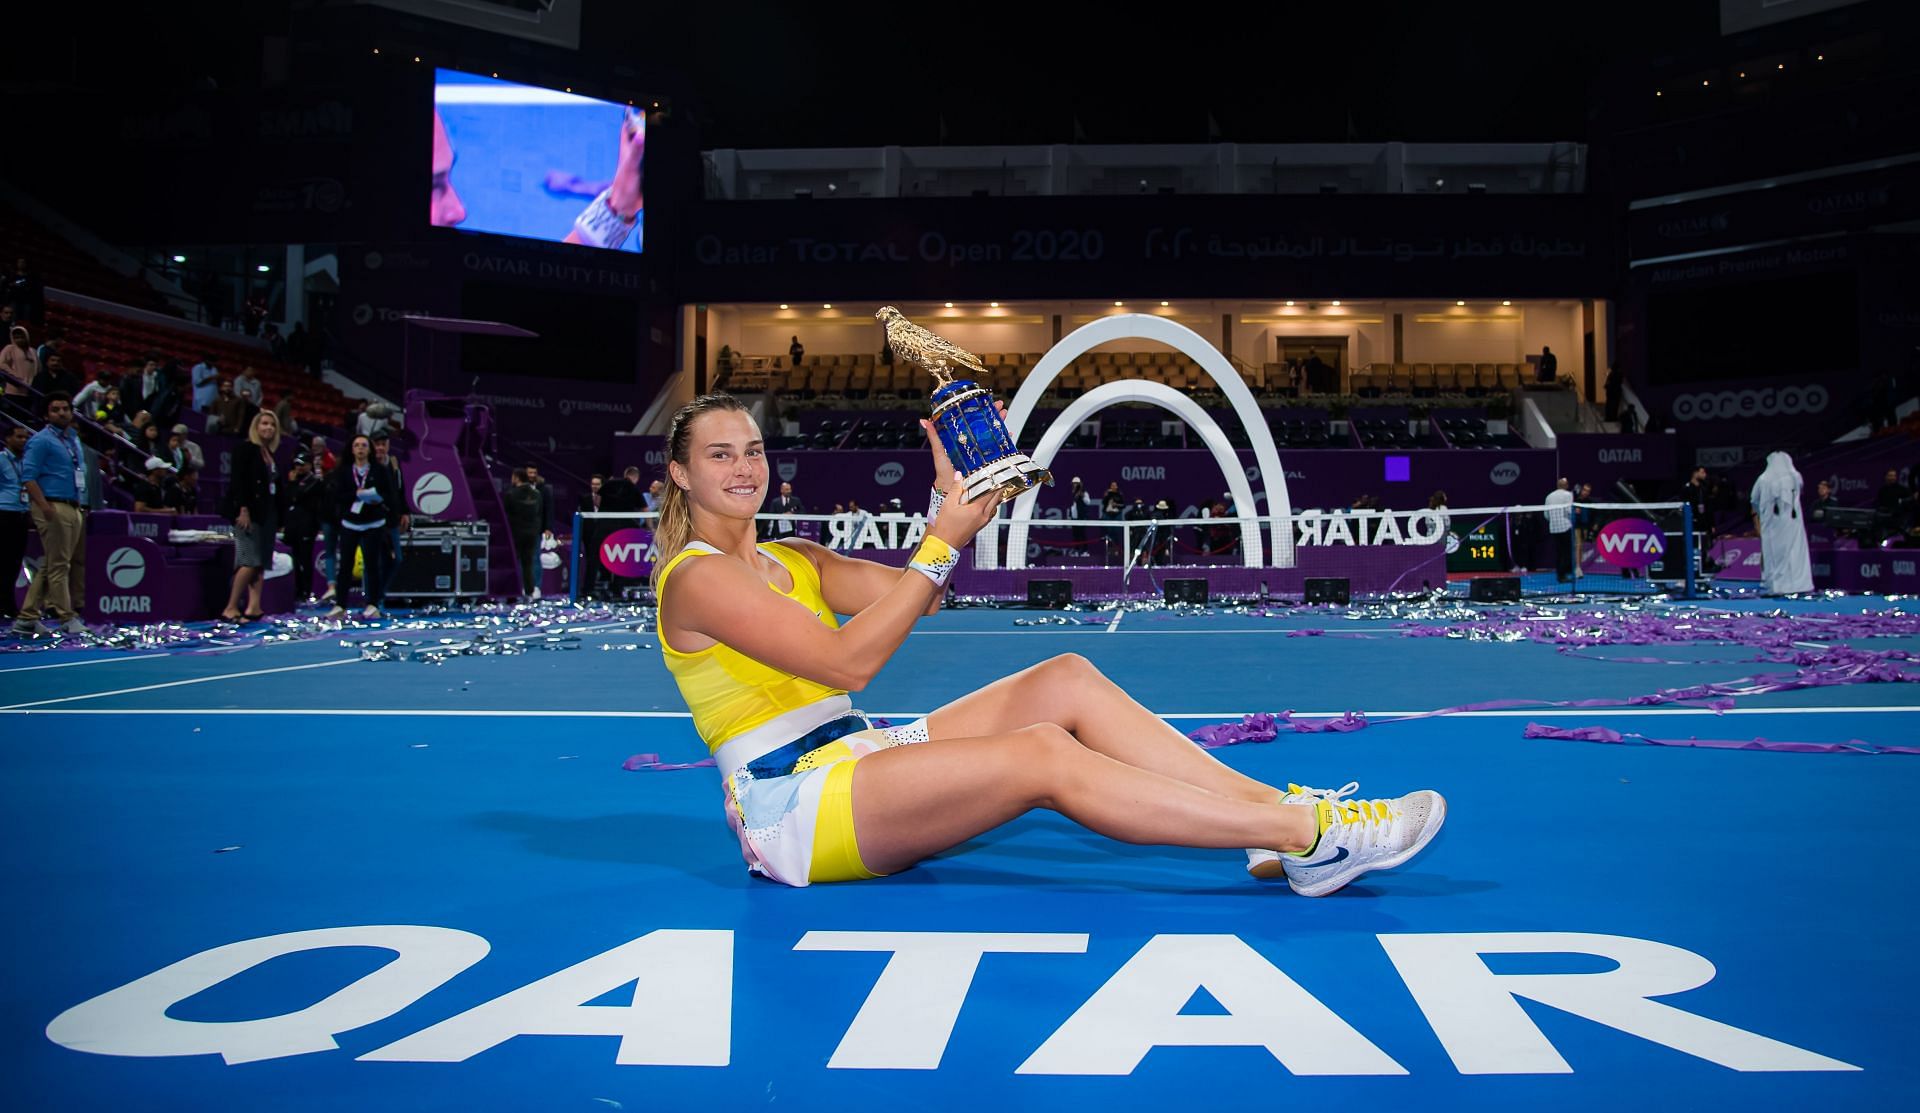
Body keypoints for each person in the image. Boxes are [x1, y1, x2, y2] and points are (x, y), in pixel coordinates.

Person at [651, 392, 1446, 891]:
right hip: (791, 805)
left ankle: (1277, 814)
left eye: (752, 448)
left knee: (1063, 677)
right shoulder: (696, 576)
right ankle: (1310, 837)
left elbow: (922, 597)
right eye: (720, 454)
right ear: (681, 475)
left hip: (855, 757)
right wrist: (941, 539)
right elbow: (846, 660)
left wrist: (950, 503)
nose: (744, 465)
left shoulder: (794, 558)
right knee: (1041, 754)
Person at [13, 394, 90, 636]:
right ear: (47, 414)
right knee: (59, 565)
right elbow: (28, 476)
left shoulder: (73, 439)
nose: (61, 413)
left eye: (65, 409)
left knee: (52, 563)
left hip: (73, 504)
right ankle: (66, 617)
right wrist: (45, 507)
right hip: (53, 505)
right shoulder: (41, 441)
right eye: (55, 409)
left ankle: (27, 618)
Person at [220, 410, 285, 623]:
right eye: (264, 424)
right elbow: (238, 482)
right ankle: (230, 607)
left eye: (272, 425)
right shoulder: (245, 450)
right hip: (248, 513)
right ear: (256, 427)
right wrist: (243, 509)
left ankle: (254, 606)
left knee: (260, 563)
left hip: (267, 513)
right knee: (249, 560)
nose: (268, 428)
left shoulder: (269, 453)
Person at [327, 434, 397, 620]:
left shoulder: (379, 470)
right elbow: (337, 495)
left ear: (369, 449)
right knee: (346, 565)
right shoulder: (343, 471)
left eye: (364, 445)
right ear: (352, 449)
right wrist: (355, 494)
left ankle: (372, 603)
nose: (360, 449)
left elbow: (389, 494)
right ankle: (340, 604)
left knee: (372, 564)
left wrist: (375, 498)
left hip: (374, 522)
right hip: (350, 522)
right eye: (357, 445)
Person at [1750, 452, 1814, 596]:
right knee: (1795, 552)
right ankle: (1800, 584)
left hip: (1773, 524)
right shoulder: (1795, 477)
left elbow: (1754, 499)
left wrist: (1760, 513)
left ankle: (1777, 585)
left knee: (1775, 553)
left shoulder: (1763, 479)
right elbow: (1801, 490)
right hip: (1793, 523)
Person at [282, 453, 329, 603]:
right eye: (297, 464)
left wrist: (293, 483)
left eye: (302, 464)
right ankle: (295, 590)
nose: (299, 468)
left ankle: (306, 591)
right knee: (292, 560)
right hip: (291, 526)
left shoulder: (314, 482)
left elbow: (298, 496)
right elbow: (286, 498)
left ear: (309, 465)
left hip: (307, 526)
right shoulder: (292, 481)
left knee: (305, 560)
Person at [371, 432, 409, 598]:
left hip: (391, 519)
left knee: (396, 559)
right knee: (374, 561)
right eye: (376, 444)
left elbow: (400, 491)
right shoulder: (368, 466)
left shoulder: (394, 466)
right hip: (372, 519)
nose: (380, 447)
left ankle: (379, 594)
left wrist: (405, 512)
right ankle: (372, 599)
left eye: (383, 444)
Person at [504, 468, 546, 601]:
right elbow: (539, 513)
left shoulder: (511, 494)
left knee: (513, 562)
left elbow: (507, 515)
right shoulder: (536, 494)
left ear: (516, 478)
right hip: (532, 533)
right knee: (528, 563)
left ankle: (512, 593)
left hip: (516, 533)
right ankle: (529, 592)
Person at [0, 424, 28, 622]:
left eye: (25, 437)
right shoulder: (1, 460)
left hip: (21, 514)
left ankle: (9, 604)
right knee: (3, 562)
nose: (23, 440)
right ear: (8, 438)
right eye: (19, 437)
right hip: (4, 514)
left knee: (15, 563)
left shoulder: (24, 462)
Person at [1544, 478, 1576, 582]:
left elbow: (1546, 515)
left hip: (1554, 528)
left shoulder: (1549, 496)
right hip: (1565, 527)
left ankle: (1560, 574)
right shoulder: (1568, 495)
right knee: (1566, 553)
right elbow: (1569, 511)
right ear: (1566, 485)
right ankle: (1563, 575)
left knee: (1559, 552)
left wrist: (1553, 521)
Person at [2, 326, 40, 396]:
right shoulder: (9, 349)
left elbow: (38, 369)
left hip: (30, 390)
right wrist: (15, 377)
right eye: (16, 337)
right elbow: (2, 365)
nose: (19, 340)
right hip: (13, 390)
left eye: (21, 337)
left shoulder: (33, 351)